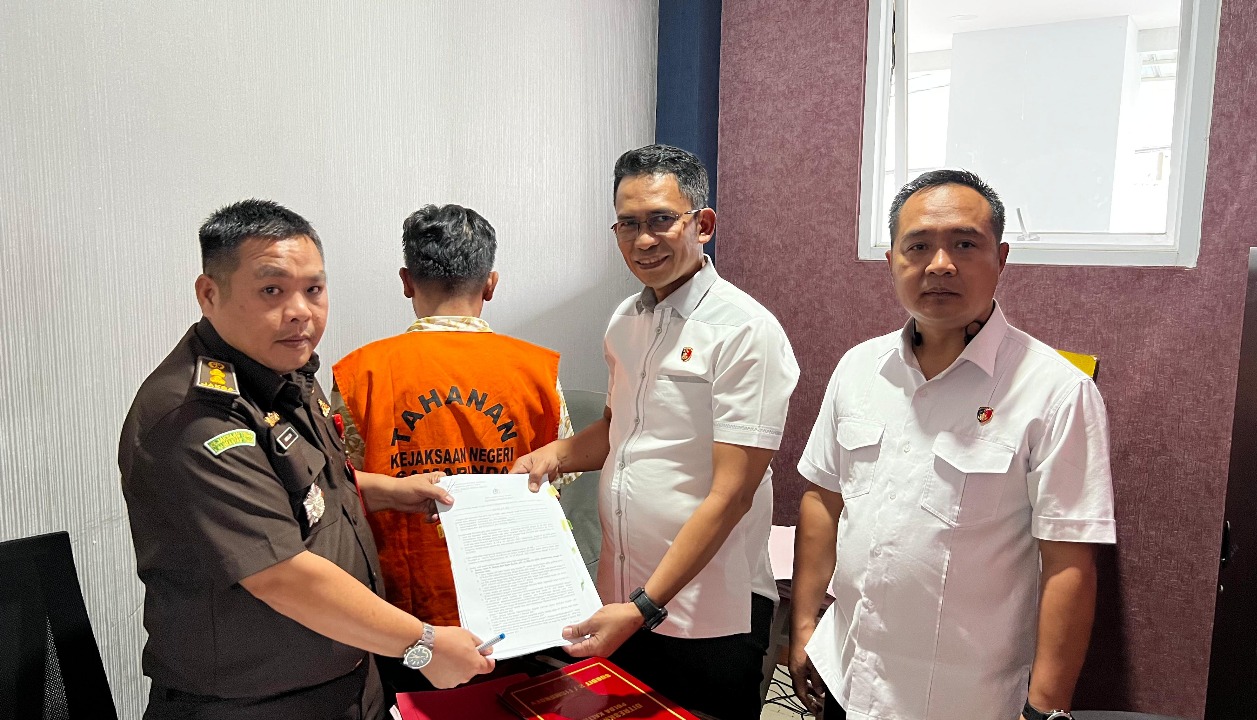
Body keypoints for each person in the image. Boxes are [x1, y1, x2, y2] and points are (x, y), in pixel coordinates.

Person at [119, 199, 494, 720]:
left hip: (347, 676)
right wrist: (423, 644)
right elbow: (281, 575)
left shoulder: (282, 368)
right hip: (257, 705)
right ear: (209, 294)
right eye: (271, 290)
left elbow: (310, 488)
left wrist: (390, 491)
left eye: (313, 289)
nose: (301, 311)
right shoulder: (197, 418)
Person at [788, 169, 1116, 720]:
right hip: (847, 673)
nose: (940, 264)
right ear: (893, 260)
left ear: (1001, 258)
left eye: (965, 244)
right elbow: (824, 498)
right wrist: (803, 626)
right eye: (918, 246)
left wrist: (1046, 709)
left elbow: (1069, 561)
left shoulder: (1056, 392)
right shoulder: (859, 368)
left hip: (964, 701)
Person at [514, 144, 800, 719]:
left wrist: (646, 605)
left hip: (709, 612)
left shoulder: (745, 330)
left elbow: (733, 493)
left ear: (703, 225)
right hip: (620, 596)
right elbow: (617, 432)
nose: (643, 240)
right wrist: (554, 455)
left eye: (661, 220)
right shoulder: (626, 320)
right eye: (628, 224)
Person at [330, 202, 574, 696]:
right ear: (491, 284)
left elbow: (339, 487)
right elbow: (560, 477)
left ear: (406, 281)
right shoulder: (538, 371)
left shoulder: (358, 374)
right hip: (516, 602)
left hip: (404, 615)